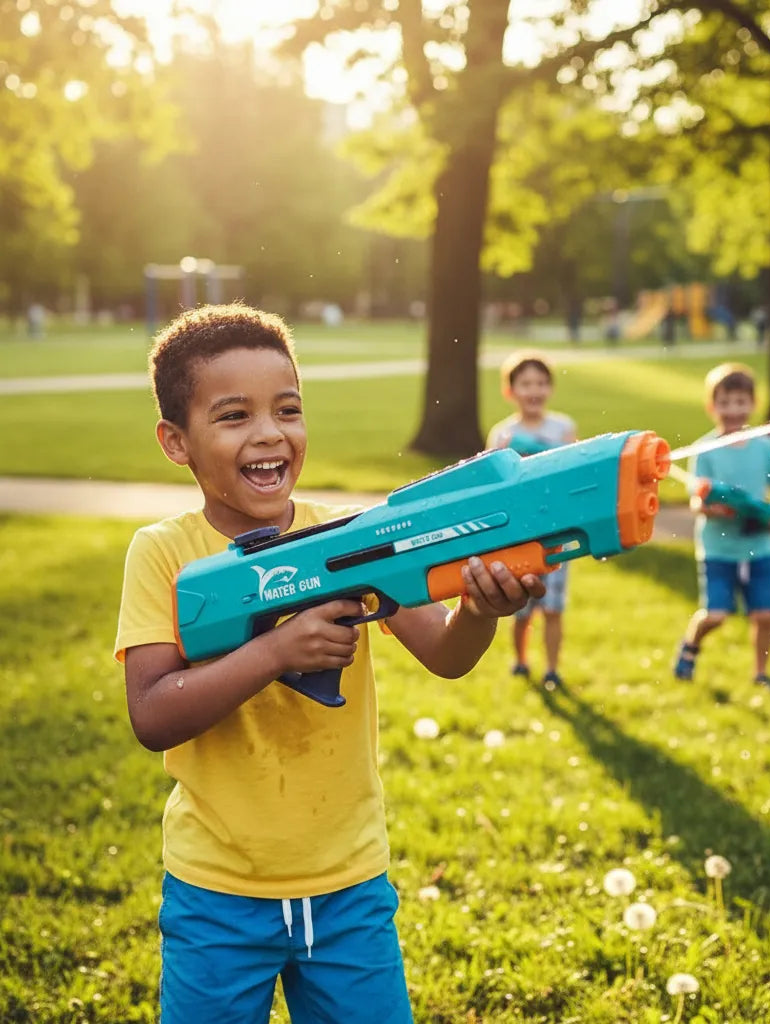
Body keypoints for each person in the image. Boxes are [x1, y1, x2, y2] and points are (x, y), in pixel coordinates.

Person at [114, 303, 545, 1024]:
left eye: (288, 409)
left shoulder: (351, 538)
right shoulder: (163, 553)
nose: (269, 433)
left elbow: (445, 654)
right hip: (217, 891)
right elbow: (152, 713)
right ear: (175, 441)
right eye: (234, 416)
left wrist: (479, 610)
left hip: (350, 886)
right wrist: (275, 652)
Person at [673, 362, 770, 692]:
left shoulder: (766, 446)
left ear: (753, 404)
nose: (733, 410)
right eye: (724, 403)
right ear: (711, 406)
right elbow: (697, 501)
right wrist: (714, 509)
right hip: (719, 550)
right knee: (716, 615)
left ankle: (760, 673)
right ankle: (690, 645)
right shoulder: (705, 450)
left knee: (765, 615)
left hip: (760, 548)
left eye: (740, 402)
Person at [486, 350, 577, 691]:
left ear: (550, 388)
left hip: (556, 532)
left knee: (553, 608)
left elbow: (571, 472)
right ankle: (521, 661)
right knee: (520, 607)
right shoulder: (503, 433)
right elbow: (495, 485)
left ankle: (552, 669)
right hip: (519, 534)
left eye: (541, 383)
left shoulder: (563, 428)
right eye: (526, 384)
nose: (534, 390)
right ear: (510, 391)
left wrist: (542, 454)